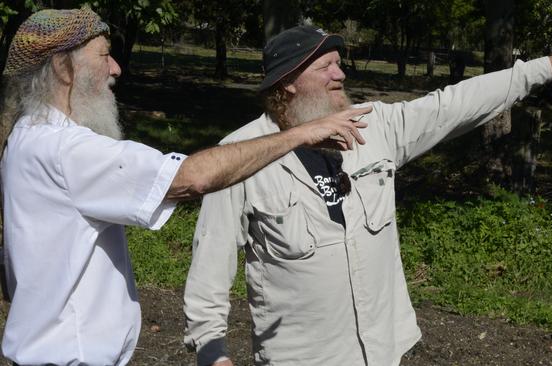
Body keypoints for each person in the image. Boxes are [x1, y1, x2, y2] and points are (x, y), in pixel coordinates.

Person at [182, 25, 552, 366]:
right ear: (289, 82)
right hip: (302, 357)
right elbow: (212, 260)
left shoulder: (374, 128)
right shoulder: (239, 157)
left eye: (339, 64)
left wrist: (543, 67)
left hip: (381, 349)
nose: (340, 74)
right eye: (326, 66)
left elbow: (452, 105)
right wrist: (211, 349)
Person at [0, 10, 369, 366]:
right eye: (105, 56)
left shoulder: (27, 137)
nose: (116, 68)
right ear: (63, 68)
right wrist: (300, 134)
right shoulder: (66, 151)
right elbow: (193, 178)